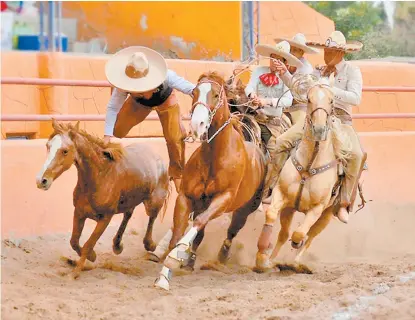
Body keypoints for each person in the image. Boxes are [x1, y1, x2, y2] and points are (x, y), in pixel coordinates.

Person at [273, 30, 366, 224]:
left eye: (331, 51)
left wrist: (330, 91)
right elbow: (301, 90)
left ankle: (343, 202)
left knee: (356, 154)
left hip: (341, 120)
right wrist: (284, 75)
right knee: (282, 141)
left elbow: (356, 98)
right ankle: (275, 186)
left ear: (341, 53)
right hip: (315, 117)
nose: (326, 54)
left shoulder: (352, 71)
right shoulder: (317, 71)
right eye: (325, 50)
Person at [103, 46, 196, 192]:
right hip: (139, 103)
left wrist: (204, 102)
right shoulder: (123, 85)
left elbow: (192, 89)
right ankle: (177, 130)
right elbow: (113, 107)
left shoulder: (166, 76)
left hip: (165, 100)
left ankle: (178, 177)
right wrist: (107, 136)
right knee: (118, 130)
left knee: (173, 139)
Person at [262, 34, 320, 204]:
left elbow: (299, 92)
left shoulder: (306, 70)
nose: (293, 52)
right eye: (291, 49)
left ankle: (273, 186)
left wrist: (285, 73)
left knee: (286, 141)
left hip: (298, 108)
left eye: (296, 50)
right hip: (276, 107)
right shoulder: (282, 63)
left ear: (302, 52)